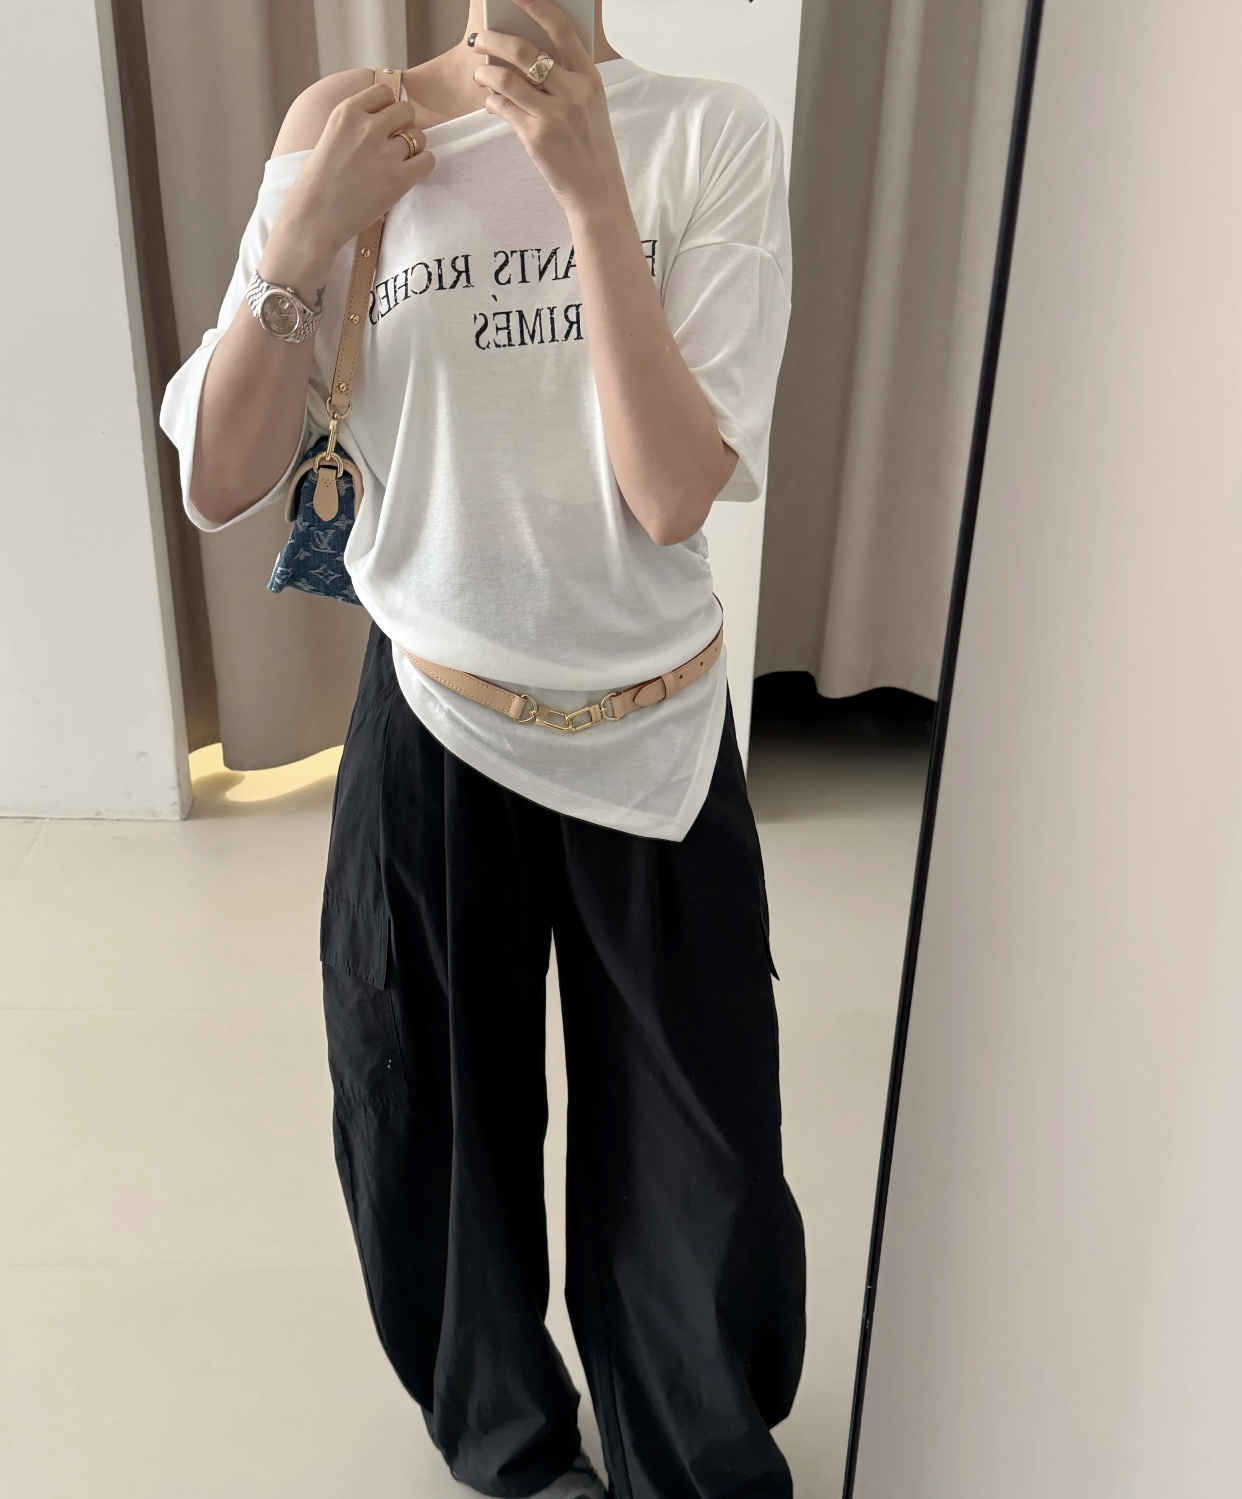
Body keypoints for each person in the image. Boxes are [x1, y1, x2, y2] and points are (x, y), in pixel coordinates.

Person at [162, 2, 805, 1495]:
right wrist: (301, 236)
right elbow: (222, 479)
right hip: (435, 713)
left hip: (654, 729)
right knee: (430, 1135)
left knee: (702, 1153)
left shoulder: (709, 134)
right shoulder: (352, 125)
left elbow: (670, 495)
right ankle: (516, 1451)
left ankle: (690, 1459)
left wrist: (590, 193)